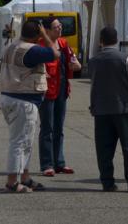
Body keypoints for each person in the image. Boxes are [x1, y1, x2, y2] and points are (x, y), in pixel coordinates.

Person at [0, 19, 60, 193]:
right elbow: (55, 53)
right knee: (19, 142)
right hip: (23, 102)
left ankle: (24, 177)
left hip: (9, 97)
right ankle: (12, 182)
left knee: (25, 142)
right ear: (37, 34)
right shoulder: (31, 50)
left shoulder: (11, 47)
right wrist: (45, 36)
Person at [89, 26, 128, 192]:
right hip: (126, 110)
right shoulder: (126, 59)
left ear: (101, 41)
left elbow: (94, 86)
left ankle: (107, 182)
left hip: (101, 110)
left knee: (104, 150)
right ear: (116, 40)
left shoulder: (93, 61)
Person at [38, 17, 81, 177]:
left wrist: (76, 65)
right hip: (47, 91)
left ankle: (59, 163)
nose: (60, 29)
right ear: (47, 30)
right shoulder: (40, 46)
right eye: (56, 27)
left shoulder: (63, 44)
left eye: (60, 26)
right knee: (47, 128)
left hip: (62, 89)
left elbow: (73, 61)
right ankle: (47, 164)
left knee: (59, 128)